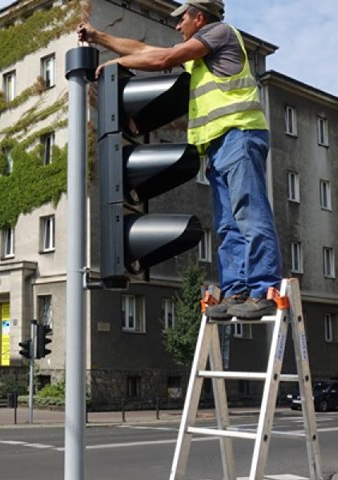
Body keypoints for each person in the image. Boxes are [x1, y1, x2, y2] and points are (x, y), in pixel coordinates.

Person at [77, 0, 282, 320]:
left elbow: (163, 58)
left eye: (181, 20)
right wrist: (99, 38)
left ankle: (263, 289)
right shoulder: (200, 56)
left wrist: (120, 64)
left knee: (249, 215)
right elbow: (145, 49)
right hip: (217, 147)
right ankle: (236, 290)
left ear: (199, 18)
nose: (177, 26)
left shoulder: (219, 33)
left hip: (239, 136)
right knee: (228, 225)